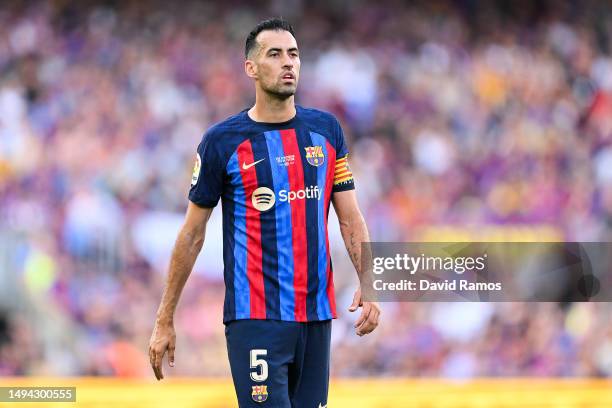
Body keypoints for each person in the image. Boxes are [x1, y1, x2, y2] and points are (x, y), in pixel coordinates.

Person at [148, 17, 380, 407]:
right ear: (251, 68)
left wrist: (370, 283)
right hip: (255, 318)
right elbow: (192, 234)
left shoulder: (326, 132)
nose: (288, 62)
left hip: (316, 316)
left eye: (294, 54)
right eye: (275, 54)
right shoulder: (222, 142)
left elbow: (350, 218)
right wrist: (164, 317)